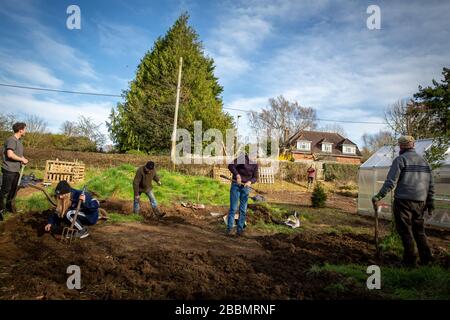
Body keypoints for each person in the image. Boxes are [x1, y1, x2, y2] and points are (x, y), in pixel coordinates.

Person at [372, 136, 434, 267]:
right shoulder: (425, 162)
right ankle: (426, 259)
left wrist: (379, 196)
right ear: (413, 145)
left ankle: (409, 261)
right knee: (419, 231)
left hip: (403, 202)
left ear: (400, 146)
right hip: (420, 202)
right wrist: (430, 203)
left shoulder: (400, 159)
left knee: (405, 231)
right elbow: (430, 184)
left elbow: (390, 182)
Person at [0, 122, 28, 221]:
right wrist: (21, 159)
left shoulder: (19, 142)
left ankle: (8, 207)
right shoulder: (11, 140)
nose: (25, 131)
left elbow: (18, 154)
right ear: (20, 130)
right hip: (9, 169)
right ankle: (0, 209)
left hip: (16, 170)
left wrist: (23, 158)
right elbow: (10, 154)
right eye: (25, 129)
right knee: (5, 191)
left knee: (13, 190)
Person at [226, 152, 258, 236]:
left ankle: (239, 230)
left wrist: (250, 182)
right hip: (236, 185)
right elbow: (231, 165)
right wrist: (237, 175)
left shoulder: (255, 164)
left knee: (243, 210)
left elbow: (255, 177)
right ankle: (230, 229)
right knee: (233, 208)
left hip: (246, 188)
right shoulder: (242, 158)